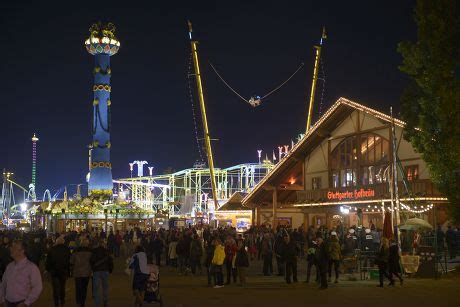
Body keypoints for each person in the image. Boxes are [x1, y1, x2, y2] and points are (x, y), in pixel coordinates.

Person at [0, 240, 43, 306]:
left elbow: (38, 287)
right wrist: (2, 299)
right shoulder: (9, 266)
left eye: (14, 247)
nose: (11, 249)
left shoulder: (31, 267)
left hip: (22, 303)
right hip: (8, 302)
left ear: (22, 251)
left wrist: (26, 303)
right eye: (11, 247)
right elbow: (3, 284)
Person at [46, 235, 70, 307]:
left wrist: (48, 269)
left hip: (54, 271)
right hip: (63, 271)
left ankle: (56, 303)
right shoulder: (66, 249)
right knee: (62, 287)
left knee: (55, 288)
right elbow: (68, 261)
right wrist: (68, 271)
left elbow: (48, 261)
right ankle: (62, 301)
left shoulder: (52, 249)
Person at [90, 239, 113, 307]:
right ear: (103, 244)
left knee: (96, 288)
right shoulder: (107, 251)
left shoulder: (94, 251)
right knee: (105, 287)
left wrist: (93, 268)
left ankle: (97, 304)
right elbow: (110, 261)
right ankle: (105, 301)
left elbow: (91, 260)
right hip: (105, 271)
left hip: (96, 271)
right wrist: (110, 270)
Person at [71, 238, 92, 307]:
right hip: (86, 272)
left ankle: (78, 302)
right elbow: (92, 261)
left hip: (77, 272)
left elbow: (71, 261)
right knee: (84, 288)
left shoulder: (75, 251)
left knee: (78, 288)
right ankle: (82, 302)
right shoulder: (90, 251)